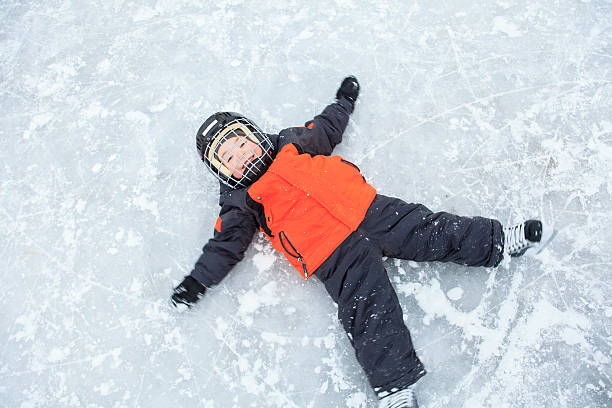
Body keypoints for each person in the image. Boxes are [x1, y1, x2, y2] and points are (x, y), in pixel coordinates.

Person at [170, 76, 554, 408]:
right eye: (229, 157)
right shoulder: (238, 201)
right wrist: (198, 281)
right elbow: (226, 245)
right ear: (220, 170)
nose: (242, 156)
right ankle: (396, 388)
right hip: (331, 253)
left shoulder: (291, 142)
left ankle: (502, 240)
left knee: (434, 229)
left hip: (369, 210)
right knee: (369, 312)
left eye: (241, 143)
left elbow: (327, 128)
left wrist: (343, 102)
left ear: (253, 133)